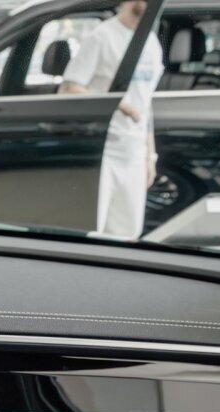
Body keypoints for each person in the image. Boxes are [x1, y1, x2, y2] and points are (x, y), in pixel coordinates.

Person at [61, 0, 164, 238]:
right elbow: (69, 88)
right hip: (103, 149)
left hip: (134, 151)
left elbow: (145, 102)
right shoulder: (102, 36)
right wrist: (117, 104)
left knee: (128, 231)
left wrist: (150, 155)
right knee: (93, 228)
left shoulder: (151, 42)